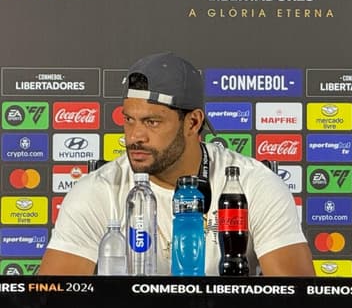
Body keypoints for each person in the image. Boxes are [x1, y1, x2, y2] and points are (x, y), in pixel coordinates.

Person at [38, 51, 314, 276]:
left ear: (193, 122)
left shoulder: (253, 183)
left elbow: (295, 303)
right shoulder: (97, 190)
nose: (134, 136)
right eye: (128, 119)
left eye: (152, 122)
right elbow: (55, 304)